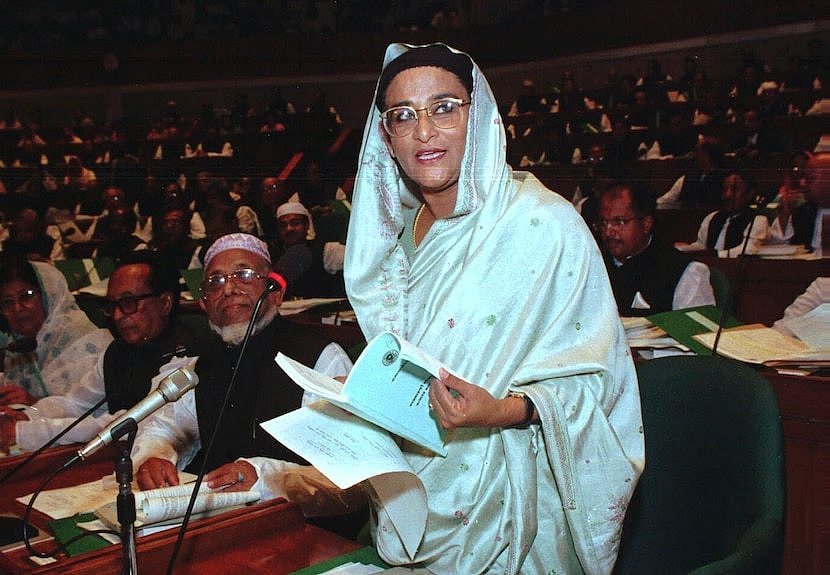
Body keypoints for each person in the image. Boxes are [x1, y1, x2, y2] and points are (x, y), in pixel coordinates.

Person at [344, 43, 643, 574]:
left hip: (512, 517)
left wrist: (499, 411)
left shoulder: (543, 226)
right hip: (409, 498)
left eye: (444, 107)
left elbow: (600, 385)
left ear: (477, 115)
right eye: (403, 116)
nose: (425, 132)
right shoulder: (396, 240)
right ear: (386, 138)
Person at [130, 233, 362, 521]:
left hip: (308, 532)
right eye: (215, 282)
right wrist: (154, 457)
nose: (228, 288)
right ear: (204, 304)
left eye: (244, 274)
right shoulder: (201, 365)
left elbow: (354, 478)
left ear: (275, 292)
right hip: (225, 527)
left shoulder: (321, 358)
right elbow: (165, 427)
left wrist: (266, 478)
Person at [0, 251, 203, 452]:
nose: (117, 316)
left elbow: (128, 422)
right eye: (112, 305)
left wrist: (26, 432)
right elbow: (74, 403)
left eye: (128, 303)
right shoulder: (118, 350)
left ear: (165, 303)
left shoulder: (185, 353)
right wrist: (27, 416)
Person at [0, 256, 112, 411]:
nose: (17, 308)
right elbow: (20, 390)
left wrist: (35, 405)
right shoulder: (22, 346)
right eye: (7, 302)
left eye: (27, 295)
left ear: (50, 295)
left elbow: (96, 417)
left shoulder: (88, 344)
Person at [597, 183, 715, 316]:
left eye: (619, 222)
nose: (608, 232)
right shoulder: (594, 263)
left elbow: (698, 332)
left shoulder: (683, 272)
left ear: (646, 224)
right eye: (604, 223)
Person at [676, 172, 771, 257]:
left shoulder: (758, 220)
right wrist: (684, 248)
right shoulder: (712, 217)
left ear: (749, 194)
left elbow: (748, 249)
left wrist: (714, 255)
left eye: (734, 189)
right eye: (724, 189)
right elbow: (702, 245)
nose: (727, 195)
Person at [272, 201, 345, 298]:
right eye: (283, 225)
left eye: (295, 223)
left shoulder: (327, 250)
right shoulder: (271, 254)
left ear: (307, 225)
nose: (289, 229)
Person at [770, 151, 830, 253]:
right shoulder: (802, 213)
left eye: (810, 178)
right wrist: (785, 215)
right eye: (803, 177)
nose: (802, 183)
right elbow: (779, 248)